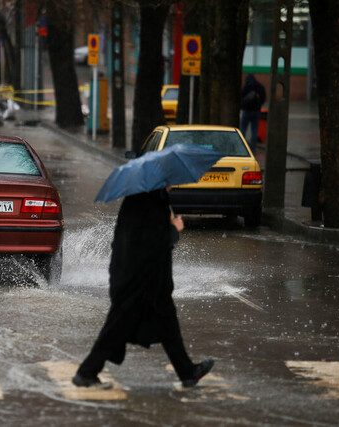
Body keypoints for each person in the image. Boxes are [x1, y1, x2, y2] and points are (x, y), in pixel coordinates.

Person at [72, 188, 214, 389]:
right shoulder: (149, 201)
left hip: (145, 279)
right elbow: (152, 243)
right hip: (138, 280)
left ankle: (187, 373)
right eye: (170, 179)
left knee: (167, 325)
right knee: (117, 327)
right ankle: (86, 373)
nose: (173, 184)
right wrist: (174, 228)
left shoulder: (145, 197)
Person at [240, 74, 266, 154]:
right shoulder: (259, 87)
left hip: (247, 111)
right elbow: (264, 97)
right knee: (254, 131)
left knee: (243, 130)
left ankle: (242, 148)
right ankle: (253, 150)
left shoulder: (246, 87)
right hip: (256, 112)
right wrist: (258, 105)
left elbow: (241, 97)